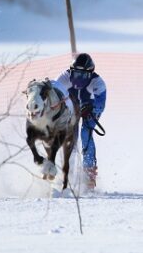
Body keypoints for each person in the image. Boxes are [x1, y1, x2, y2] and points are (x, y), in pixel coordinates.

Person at [56, 53, 107, 189]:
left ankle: (89, 172)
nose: (79, 79)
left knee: (86, 132)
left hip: (89, 110)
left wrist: (92, 109)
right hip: (71, 109)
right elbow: (54, 95)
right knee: (71, 137)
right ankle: (68, 171)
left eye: (83, 75)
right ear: (71, 71)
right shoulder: (64, 77)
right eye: (76, 74)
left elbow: (101, 104)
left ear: (90, 74)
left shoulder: (98, 83)